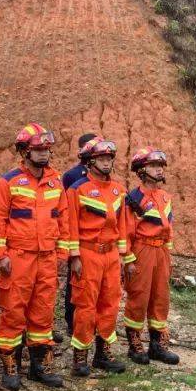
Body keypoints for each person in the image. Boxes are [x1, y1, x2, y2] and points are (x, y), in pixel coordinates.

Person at [0, 123, 72, 389]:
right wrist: (0, 254)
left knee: (43, 312)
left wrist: (62, 253)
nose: (43, 154)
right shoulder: (9, 182)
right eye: (37, 150)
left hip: (47, 257)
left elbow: (63, 219)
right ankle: (11, 365)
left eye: (46, 149)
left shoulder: (55, 181)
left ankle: (40, 365)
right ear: (24, 151)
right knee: (13, 310)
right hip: (18, 257)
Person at [66, 139, 131, 376]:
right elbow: (70, 224)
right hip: (88, 253)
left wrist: (122, 255)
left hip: (111, 254)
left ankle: (103, 354)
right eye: (101, 158)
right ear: (90, 161)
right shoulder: (77, 189)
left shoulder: (118, 190)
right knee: (85, 306)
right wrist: (74, 256)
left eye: (109, 158)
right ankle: (80, 358)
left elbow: (123, 225)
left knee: (110, 303)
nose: (106, 162)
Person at [123, 147, 179, 365]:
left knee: (160, 297)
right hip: (142, 250)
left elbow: (169, 226)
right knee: (139, 297)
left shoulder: (165, 197)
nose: (158, 170)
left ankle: (158, 345)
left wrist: (168, 254)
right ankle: (135, 345)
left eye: (160, 166)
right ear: (142, 170)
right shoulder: (134, 198)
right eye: (154, 166)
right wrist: (128, 259)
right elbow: (126, 230)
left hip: (161, 251)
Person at [61, 133, 98, 337]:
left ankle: (91, 322)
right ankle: (71, 320)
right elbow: (67, 210)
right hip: (77, 238)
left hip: (96, 242)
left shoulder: (101, 175)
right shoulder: (71, 176)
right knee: (74, 281)